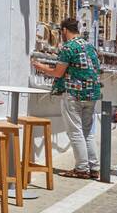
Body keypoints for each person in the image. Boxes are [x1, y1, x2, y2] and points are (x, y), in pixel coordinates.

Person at [32, 17, 102, 179]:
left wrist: (40, 66)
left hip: (75, 93)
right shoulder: (89, 46)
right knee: (87, 132)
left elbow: (58, 72)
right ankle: (94, 167)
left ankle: (81, 169)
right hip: (92, 94)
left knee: (75, 132)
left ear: (64, 30)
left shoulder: (68, 47)